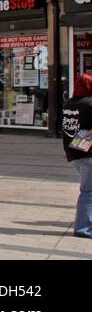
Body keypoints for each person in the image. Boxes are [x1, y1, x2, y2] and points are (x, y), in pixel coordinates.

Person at [61, 73, 92, 239]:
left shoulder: (69, 104)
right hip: (88, 154)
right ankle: (83, 228)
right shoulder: (89, 104)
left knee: (88, 189)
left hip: (73, 153)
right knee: (88, 191)